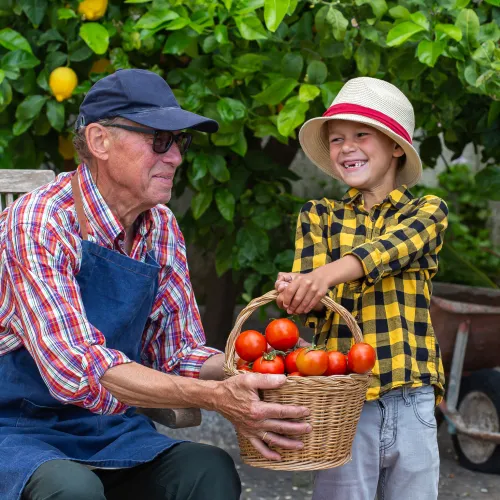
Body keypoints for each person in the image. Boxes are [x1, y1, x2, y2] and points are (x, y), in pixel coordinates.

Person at [0, 69, 311, 500]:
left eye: (179, 142)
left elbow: (178, 353)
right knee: (72, 489)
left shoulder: (159, 226)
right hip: (17, 430)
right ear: (99, 141)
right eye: (159, 140)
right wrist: (215, 396)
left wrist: (273, 369)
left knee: (208, 470)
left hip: (109, 431)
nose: (176, 158)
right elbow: (76, 366)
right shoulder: (41, 222)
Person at [275, 77, 448, 500]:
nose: (346, 146)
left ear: (393, 145)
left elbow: (390, 249)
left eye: (360, 134)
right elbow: (312, 310)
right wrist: (297, 292)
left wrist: (326, 276)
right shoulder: (318, 215)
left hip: (413, 399)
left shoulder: (426, 210)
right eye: (336, 139)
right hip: (343, 403)